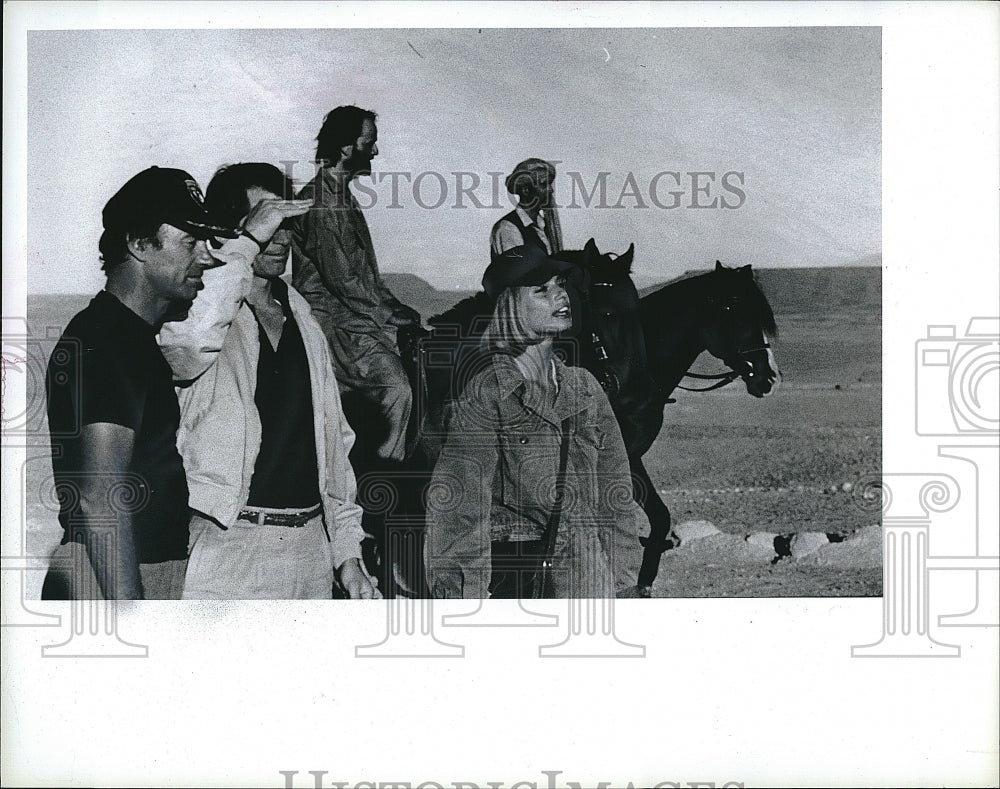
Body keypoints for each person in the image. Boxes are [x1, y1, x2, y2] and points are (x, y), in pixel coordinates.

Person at [158, 163, 379, 600]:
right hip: (228, 547)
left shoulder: (301, 315)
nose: (281, 238)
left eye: (287, 224)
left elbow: (333, 442)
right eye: (267, 222)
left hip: (309, 550)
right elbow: (185, 351)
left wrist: (347, 556)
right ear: (230, 230)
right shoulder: (195, 307)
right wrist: (244, 246)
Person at [43, 166, 239, 599]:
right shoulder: (113, 342)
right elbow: (100, 500)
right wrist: (133, 621)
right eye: (190, 242)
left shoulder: (123, 335)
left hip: (123, 568)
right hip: (113, 577)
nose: (208, 257)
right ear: (138, 244)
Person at [424, 246, 647, 599]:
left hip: (589, 577)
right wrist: (463, 602)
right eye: (541, 290)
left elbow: (615, 493)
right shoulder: (489, 392)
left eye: (559, 284)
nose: (560, 294)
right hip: (519, 580)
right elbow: (460, 510)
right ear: (511, 306)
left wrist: (624, 584)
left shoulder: (584, 387)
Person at [291, 105, 421, 465]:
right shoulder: (323, 202)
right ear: (347, 147)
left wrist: (396, 306)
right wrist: (389, 316)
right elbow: (343, 280)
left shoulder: (340, 195)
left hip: (354, 321)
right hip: (336, 327)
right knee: (397, 389)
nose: (376, 152)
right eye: (370, 143)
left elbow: (364, 276)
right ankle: (383, 475)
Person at [490, 158, 564, 260]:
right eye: (543, 184)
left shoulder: (544, 225)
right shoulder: (507, 228)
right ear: (525, 190)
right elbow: (516, 272)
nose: (550, 190)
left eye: (550, 184)